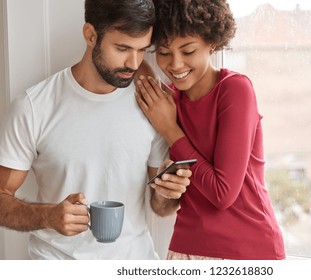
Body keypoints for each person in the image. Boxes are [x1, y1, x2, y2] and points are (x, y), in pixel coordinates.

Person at [0, 0, 191, 260]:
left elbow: (160, 206)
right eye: (122, 48)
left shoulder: (153, 103)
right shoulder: (34, 106)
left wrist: (169, 193)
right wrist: (48, 216)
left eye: (142, 50)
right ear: (90, 35)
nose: (133, 63)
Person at [135, 0, 285, 260]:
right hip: (185, 249)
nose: (175, 64)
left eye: (188, 50)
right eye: (164, 52)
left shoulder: (235, 90)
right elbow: (163, 208)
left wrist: (170, 129)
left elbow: (222, 193)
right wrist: (165, 187)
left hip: (248, 252)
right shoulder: (167, 102)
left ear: (212, 43)